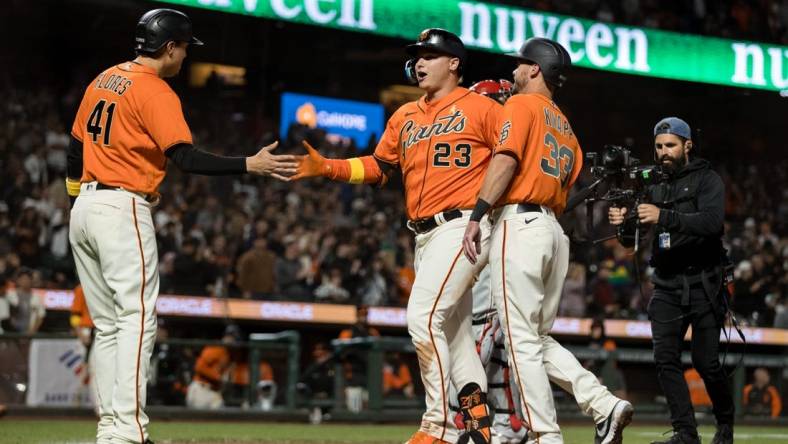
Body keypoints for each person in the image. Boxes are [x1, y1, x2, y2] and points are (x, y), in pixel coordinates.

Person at [66, 9, 297, 444]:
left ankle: (110, 430)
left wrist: (77, 200)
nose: (186, 56)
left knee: (109, 327)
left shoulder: (104, 78)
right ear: (170, 47)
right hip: (121, 206)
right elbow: (186, 158)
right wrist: (250, 163)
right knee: (136, 318)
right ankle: (129, 433)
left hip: (85, 206)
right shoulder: (155, 90)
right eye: (186, 48)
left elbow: (75, 146)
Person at [294, 28, 501, 444]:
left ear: (454, 63)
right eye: (417, 55)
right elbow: (379, 166)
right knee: (454, 335)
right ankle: (480, 428)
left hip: (463, 226)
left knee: (423, 320)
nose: (420, 61)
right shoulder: (405, 115)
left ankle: (438, 428)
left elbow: (513, 157)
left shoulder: (482, 108)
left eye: (430, 54)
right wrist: (330, 168)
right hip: (424, 236)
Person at [462, 38, 633, 444]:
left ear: (536, 69)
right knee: (536, 339)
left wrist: (477, 213)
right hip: (553, 230)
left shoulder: (520, 106)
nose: (515, 70)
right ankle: (604, 404)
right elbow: (571, 187)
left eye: (521, 64)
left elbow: (506, 160)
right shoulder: (564, 124)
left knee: (521, 342)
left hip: (519, 224)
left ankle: (545, 436)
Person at [609, 117, 734, 444]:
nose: (664, 152)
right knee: (665, 359)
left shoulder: (708, 179)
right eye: (659, 146)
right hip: (666, 284)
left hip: (705, 284)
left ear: (687, 145)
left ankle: (725, 425)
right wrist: (623, 224)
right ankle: (685, 433)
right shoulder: (653, 184)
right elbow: (630, 241)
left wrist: (664, 215)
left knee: (706, 363)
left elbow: (712, 223)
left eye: (671, 145)